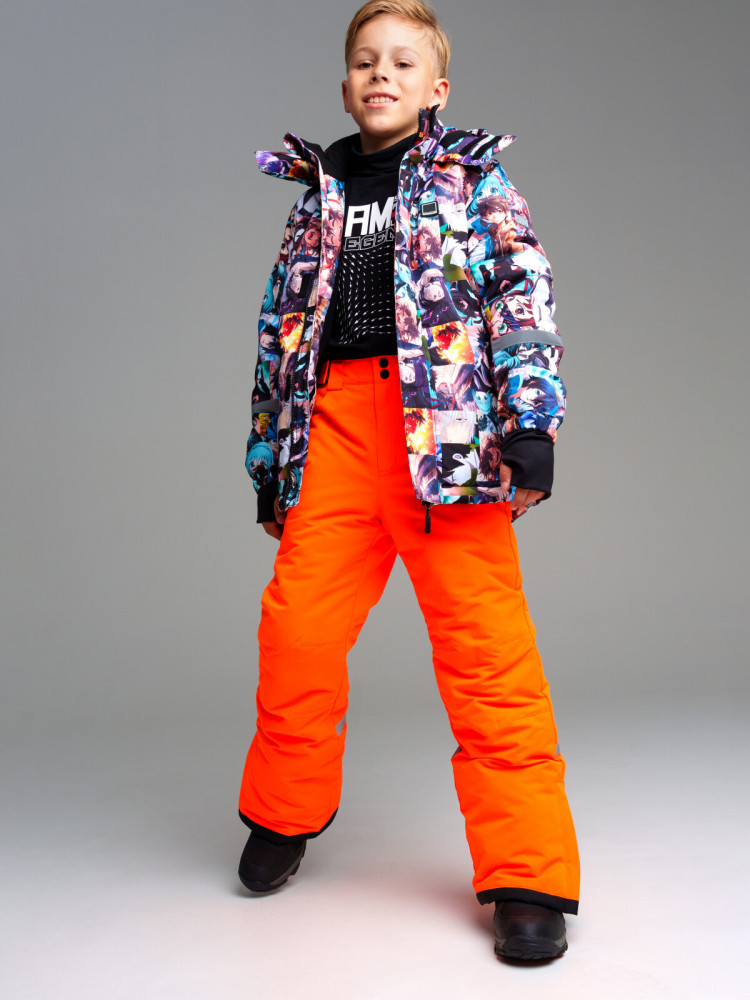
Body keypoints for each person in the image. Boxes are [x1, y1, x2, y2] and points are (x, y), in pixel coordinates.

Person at [239, 0, 580, 962]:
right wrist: (271, 462)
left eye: (401, 62)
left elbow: (522, 293)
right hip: (336, 430)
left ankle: (528, 875)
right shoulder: (317, 194)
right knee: (297, 632)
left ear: (437, 90)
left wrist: (531, 426)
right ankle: (283, 812)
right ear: (346, 86)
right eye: (364, 61)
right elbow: (278, 332)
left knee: (487, 655)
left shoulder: (472, 179)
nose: (380, 74)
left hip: (450, 438)